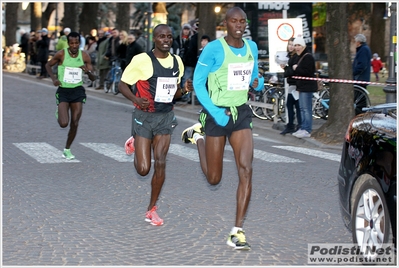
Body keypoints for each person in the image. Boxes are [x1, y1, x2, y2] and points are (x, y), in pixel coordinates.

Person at [181, 7, 264, 250]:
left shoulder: (252, 47)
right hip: (216, 112)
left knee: (246, 169)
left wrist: (256, 84)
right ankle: (197, 137)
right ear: (225, 23)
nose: (239, 25)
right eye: (234, 21)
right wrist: (216, 113)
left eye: (242, 21)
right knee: (214, 178)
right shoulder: (214, 49)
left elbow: (253, 78)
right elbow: (197, 82)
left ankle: (237, 231)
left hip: (240, 112)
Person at [118, 24, 193, 226]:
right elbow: (122, 84)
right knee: (143, 169)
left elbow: (174, 94)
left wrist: (184, 90)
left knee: (160, 163)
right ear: (155, 38)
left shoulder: (177, 62)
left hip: (166, 117)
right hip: (144, 116)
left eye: (169, 36)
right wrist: (135, 98)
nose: (166, 40)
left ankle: (151, 209)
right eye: (161, 36)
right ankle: (135, 140)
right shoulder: (142, 60)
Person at [45, 31, 96, 160]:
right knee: (64, 123)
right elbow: (48, 65)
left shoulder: (84, 55)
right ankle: (59, 111)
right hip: (63, 91)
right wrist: (54, 79)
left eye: (76, 43)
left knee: (75, 122)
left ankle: (67, 149)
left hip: (78, 91)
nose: (74, 45)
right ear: (68, 43)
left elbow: (93, 78)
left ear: (79, 43)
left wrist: (87, 71)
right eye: (72, 43)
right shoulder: (61, 54)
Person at [291, 36, 318, 139]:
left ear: (303, 46)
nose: (297, 47)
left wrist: (296, 68)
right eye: (295, 45)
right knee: (302, 108)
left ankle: (307, 129)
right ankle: (303, 127)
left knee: (306, 109)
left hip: (307, 87)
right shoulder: (300, 56)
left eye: (299, 45)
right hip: (302, 86)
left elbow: (307, 72)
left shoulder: (308, 57)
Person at [280, 37, 301, 135]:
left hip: (296, 84)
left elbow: (292, 72)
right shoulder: (289, 57)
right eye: (289, 44)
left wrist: (286, 69)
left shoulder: (296, 57)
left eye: (293, 44)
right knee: (290, 105)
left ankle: (296, 125)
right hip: (292, 84)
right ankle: (291, 125)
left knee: (295, 105)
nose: (291, 46)